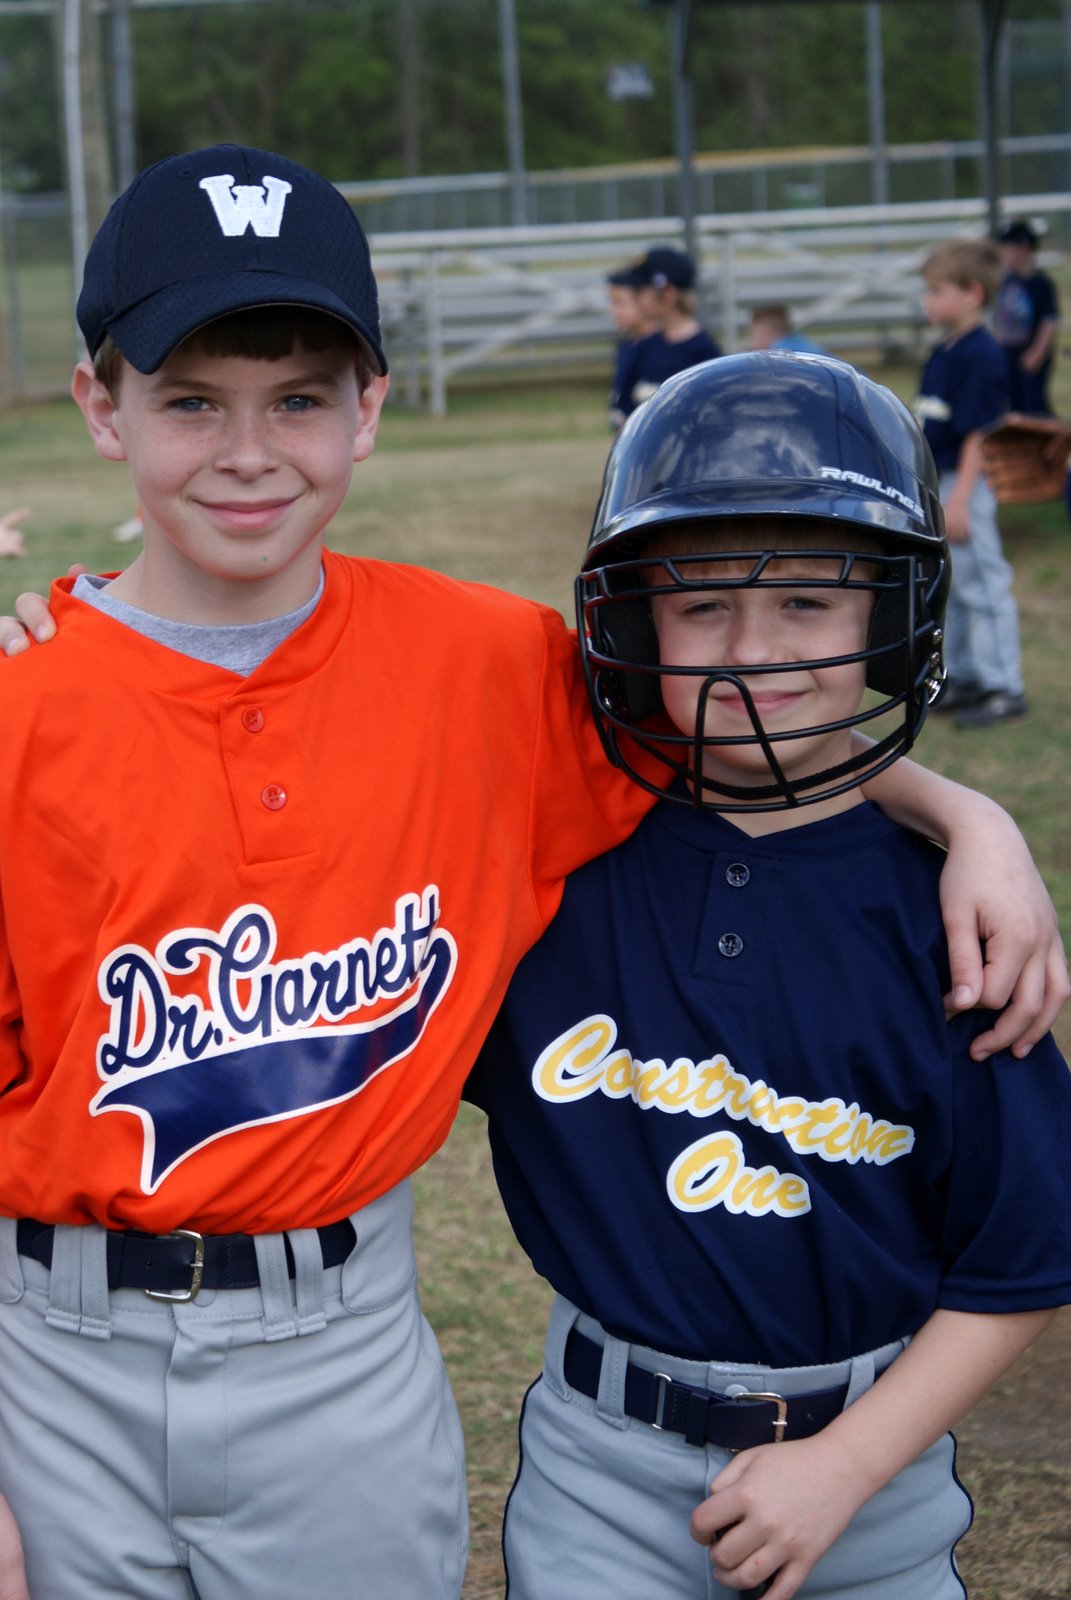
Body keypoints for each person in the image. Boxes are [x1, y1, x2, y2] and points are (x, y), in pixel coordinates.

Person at [0, 145, 1065, 1600]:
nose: (246, 452)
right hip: (47, 1348)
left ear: (367, 407)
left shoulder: (488, 668)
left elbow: (728, 705)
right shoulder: (25, 697)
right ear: (98, 406)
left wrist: (961, 815)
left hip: (336, 1340)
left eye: (299, 397)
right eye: (189, 398)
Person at [466, 353, 1071, 1600]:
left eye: (809, 603)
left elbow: (1019, 1260)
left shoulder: (952, 918)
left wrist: (845, 1464)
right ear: (632, 623)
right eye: (700, 606)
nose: (751, 653)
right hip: (599, 1465)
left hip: (873, 1474)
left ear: (890, 613)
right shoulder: (550, 848)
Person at [915, 238, 1027, 729]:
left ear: (972, 294)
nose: (928, 301)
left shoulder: (982, 354)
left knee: (985, 585)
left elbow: (980, 431)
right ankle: (963, 676)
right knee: (953, 586)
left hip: (967, 484)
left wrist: (959, 499)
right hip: (942, 481)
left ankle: (1005, 686)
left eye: (937, 290)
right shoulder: (946, 350)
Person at [612, 246, 723, 424]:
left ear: (668, 294)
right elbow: (624, 407)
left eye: (640, 291)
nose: (636, 298)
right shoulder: (643, 346)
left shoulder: (704, 352)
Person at [994, 220, 1060, 417]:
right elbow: (1001, 317)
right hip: (1008, 353)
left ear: (1025, 249)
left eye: (1009, 248)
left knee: (1033, 404)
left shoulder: (1041, 284)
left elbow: (1049, 322)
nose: (1004, 254)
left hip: (1030, 354)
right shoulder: (1006, 281)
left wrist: (1037, 353)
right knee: (1012, 403)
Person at [606, 263, 659, 432]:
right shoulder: (627, 345)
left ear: (644, 299)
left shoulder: (662, 348)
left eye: (619, 303)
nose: (614, 312)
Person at [747, 303, 828, 356]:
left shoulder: (777, 356)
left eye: (754, 334)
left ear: (763, 331)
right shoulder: (808, 347)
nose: (753, 344)